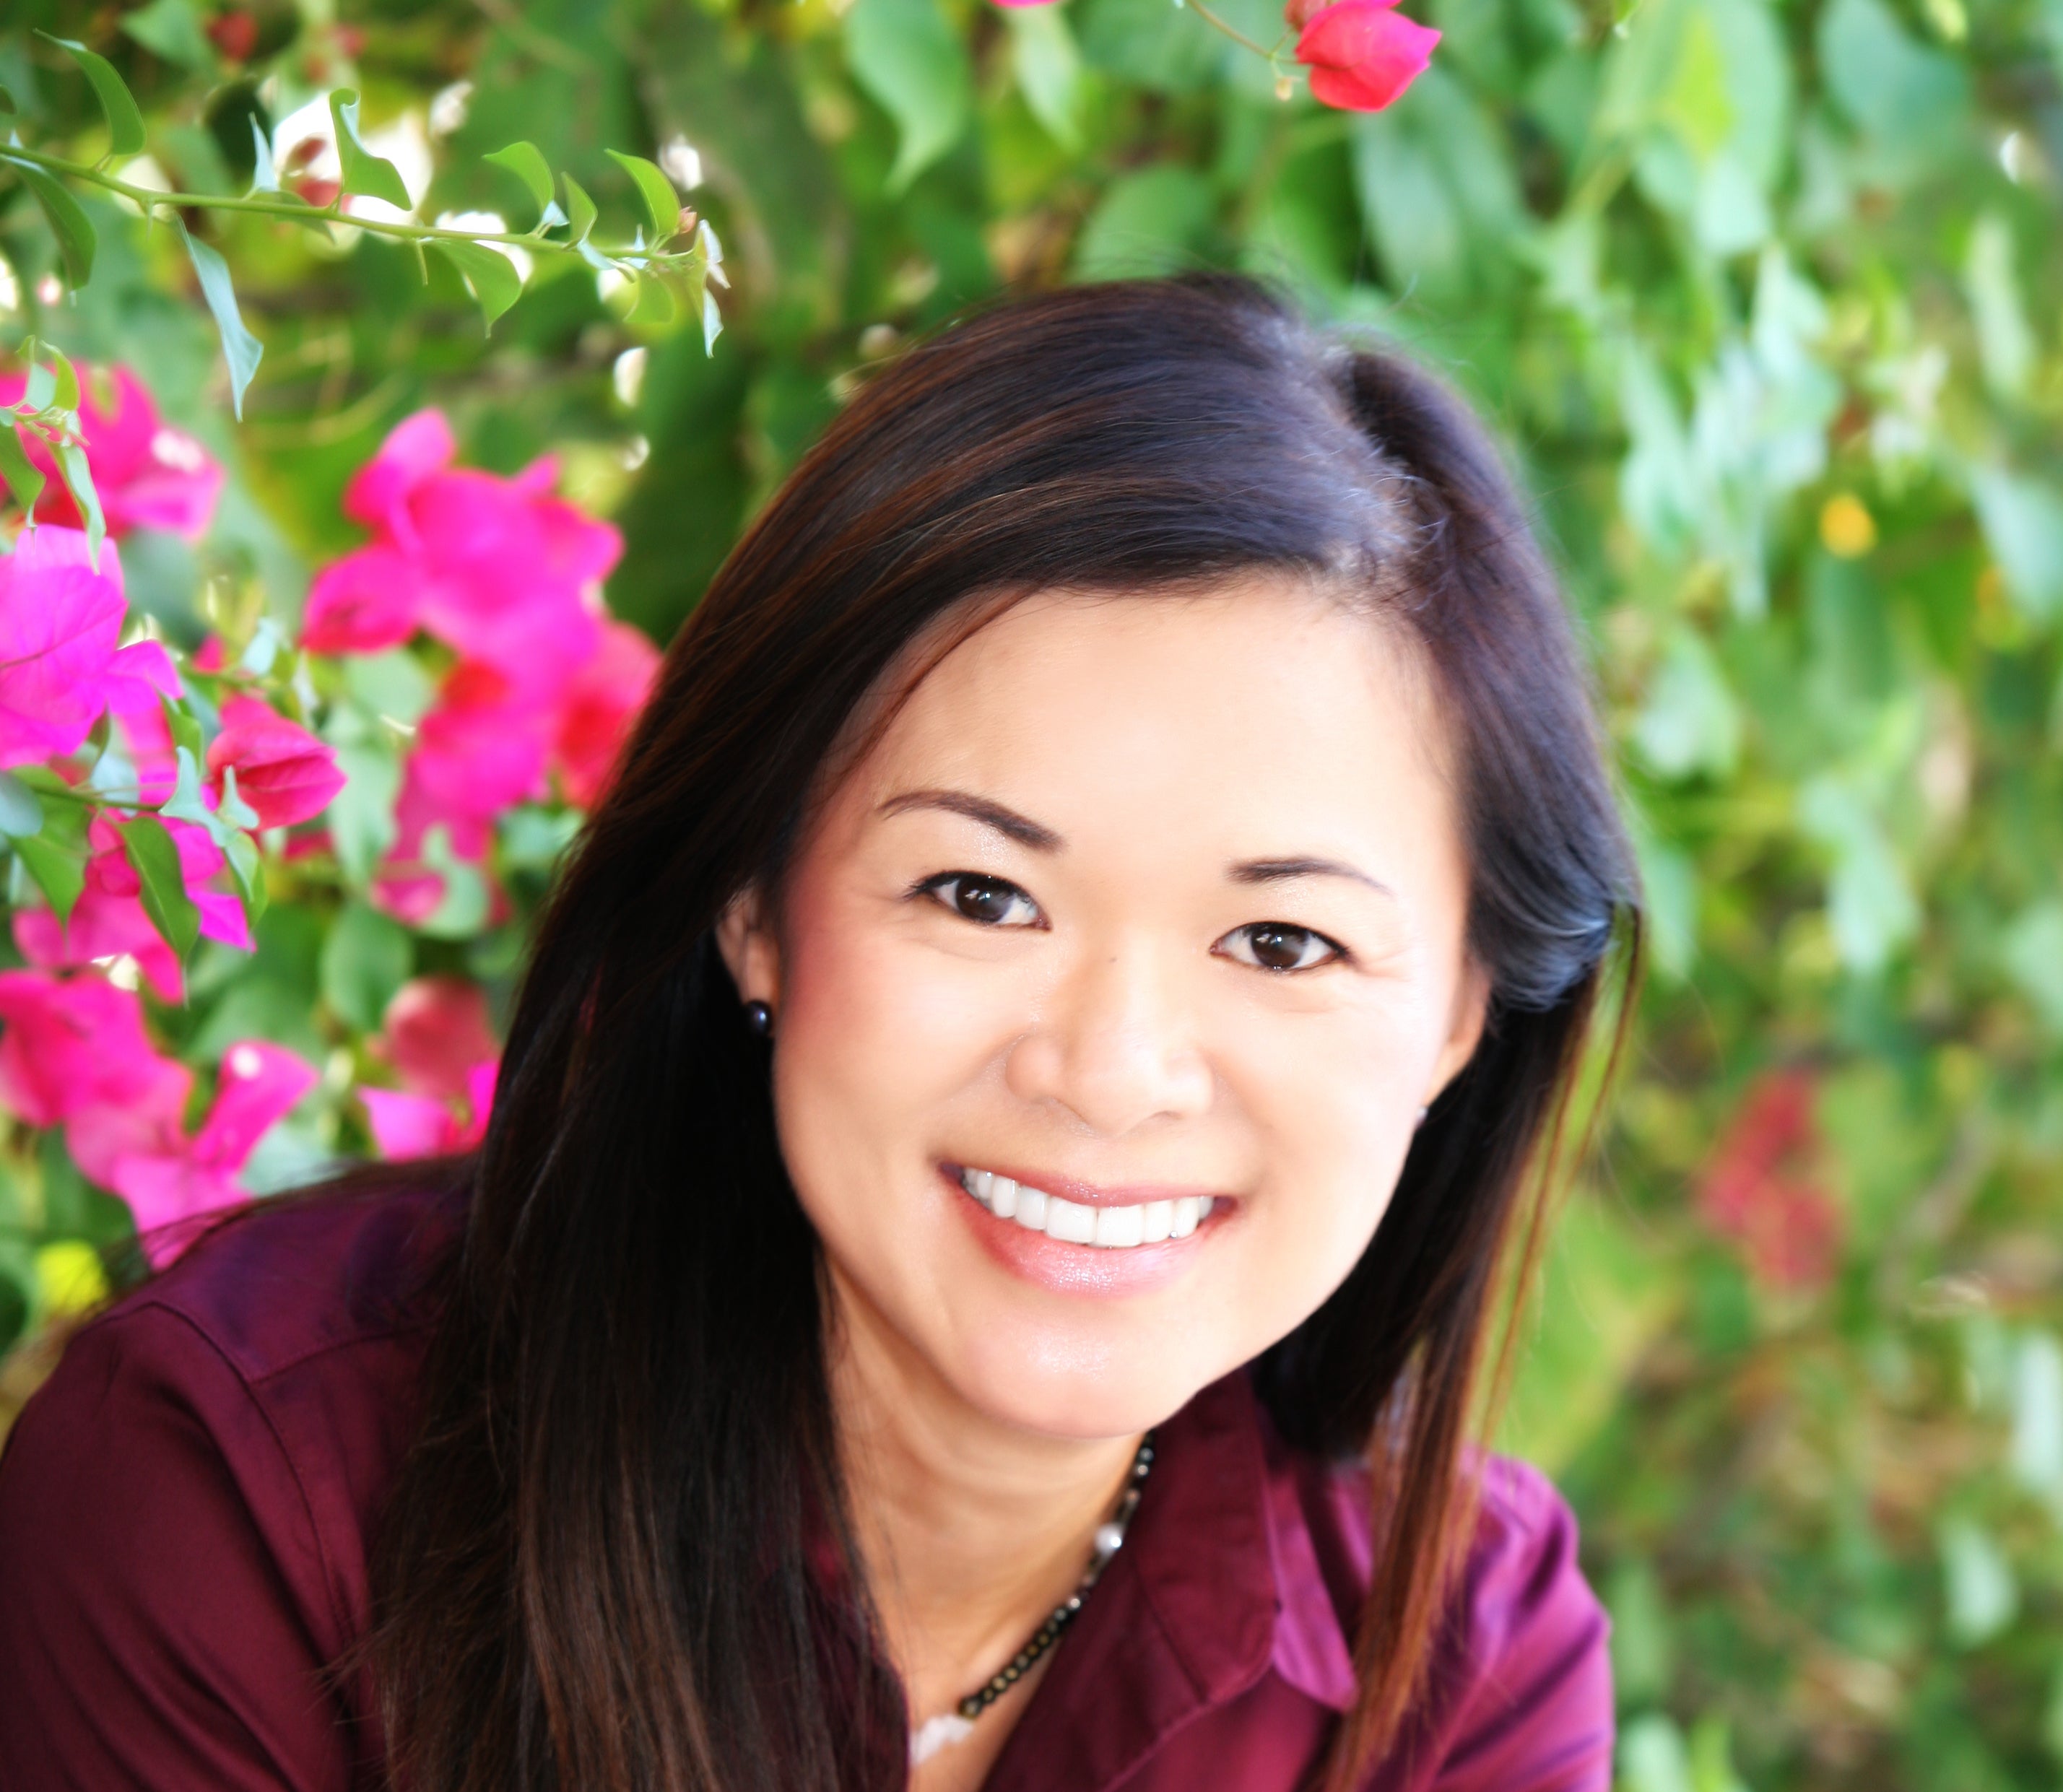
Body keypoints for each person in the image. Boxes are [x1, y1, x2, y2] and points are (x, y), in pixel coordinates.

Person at [0, 275, 1638, 1792]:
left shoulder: (1459, 1666)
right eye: (982, 892)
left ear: (1456, 1018)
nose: (1110, 1066)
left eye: (1282, 940)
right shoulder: (246, 1498)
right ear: (755, 898)